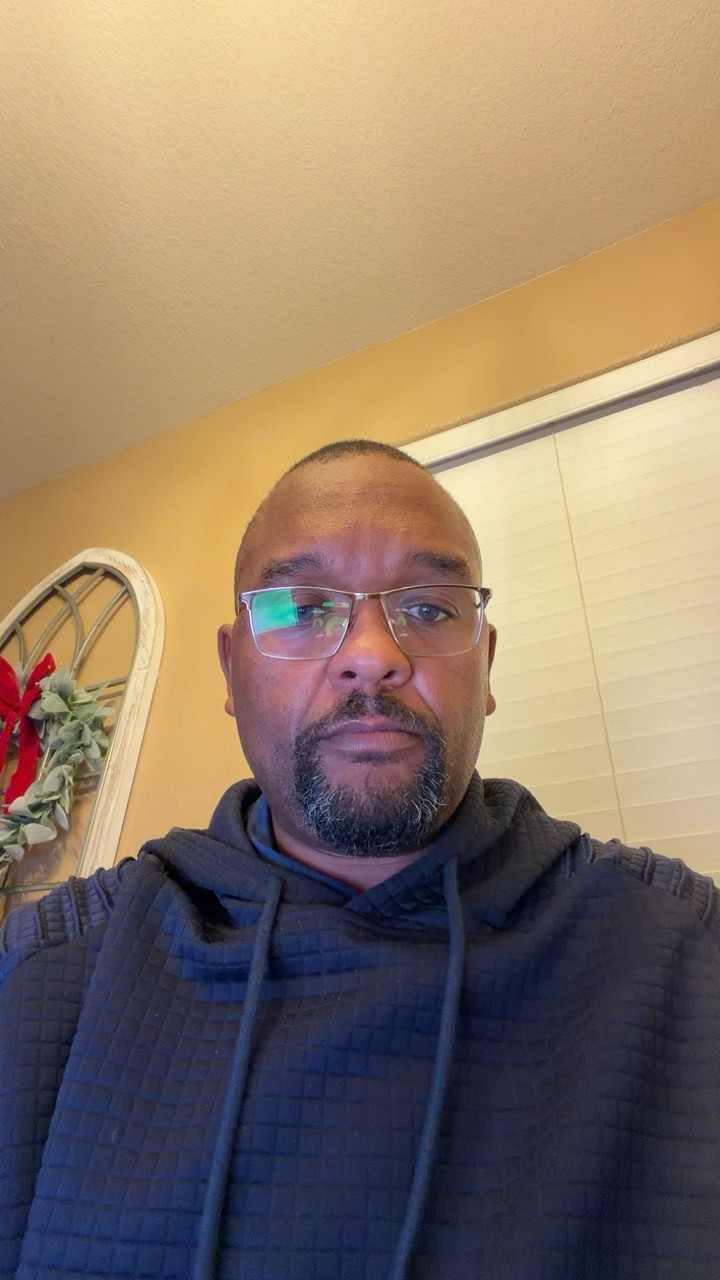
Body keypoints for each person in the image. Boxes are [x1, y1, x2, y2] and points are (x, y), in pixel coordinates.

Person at [1, 439, 717, 1280]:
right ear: (231, 668)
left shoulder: (683, 953)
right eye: (304, 608)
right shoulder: (49, 973)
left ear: (485, 665)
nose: (373, 652)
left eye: (430, 608)